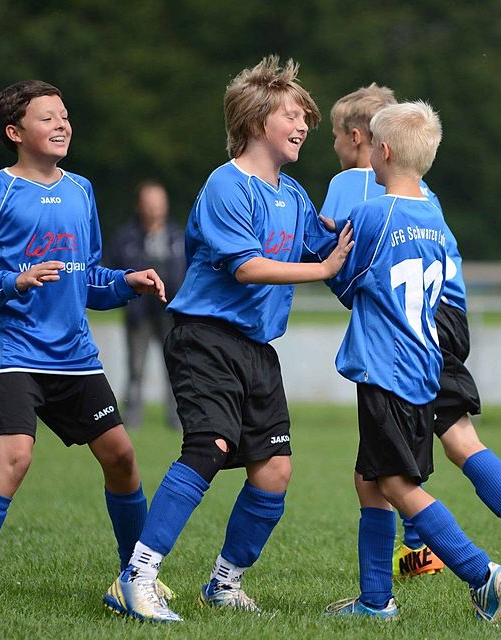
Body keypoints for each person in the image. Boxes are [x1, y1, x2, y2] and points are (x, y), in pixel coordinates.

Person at [103, 56, 353, 623]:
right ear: (257, 119)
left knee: (275, 471)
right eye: (293, 114)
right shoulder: (226, 185)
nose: (304, 126)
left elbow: (330, 246)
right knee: (209, 448)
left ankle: (223, 584)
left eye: (307, 119)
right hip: (205, 340)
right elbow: (247, 267)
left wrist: (381, 199)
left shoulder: (292, 194)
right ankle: (135, 579)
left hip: (258, 350)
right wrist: (322, 269)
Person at [321, 83, 501, 597]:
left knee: (387, 474)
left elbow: (346, 276)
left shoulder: (353, 186)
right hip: (446, 320)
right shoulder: (429, 201)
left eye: (341, 140)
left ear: (365, 142)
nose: (340, 151)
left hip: (398, 338)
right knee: (456, 441)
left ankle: (432, 562)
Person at [0, 80, 168, 606]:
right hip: (10, 350)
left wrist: (126, 282)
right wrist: (12, 281)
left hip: (72, 353)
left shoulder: (81, 190)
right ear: (15, 132)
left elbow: (84, 278)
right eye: (47, 118)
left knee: (123, 457)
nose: (62, 125)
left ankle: (136, 577)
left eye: (65, 115)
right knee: (14, 458)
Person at [107, 180, 186, 430]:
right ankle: (131, 421)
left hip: (170, 314)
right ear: (139, 206)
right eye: (150, 204)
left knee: (176, 369)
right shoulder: (126, 238)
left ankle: (177, 420)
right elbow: (110, 271)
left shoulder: (178, 237)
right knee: (135, 370)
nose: (155, 209)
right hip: (138, 314)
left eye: (159, 204)